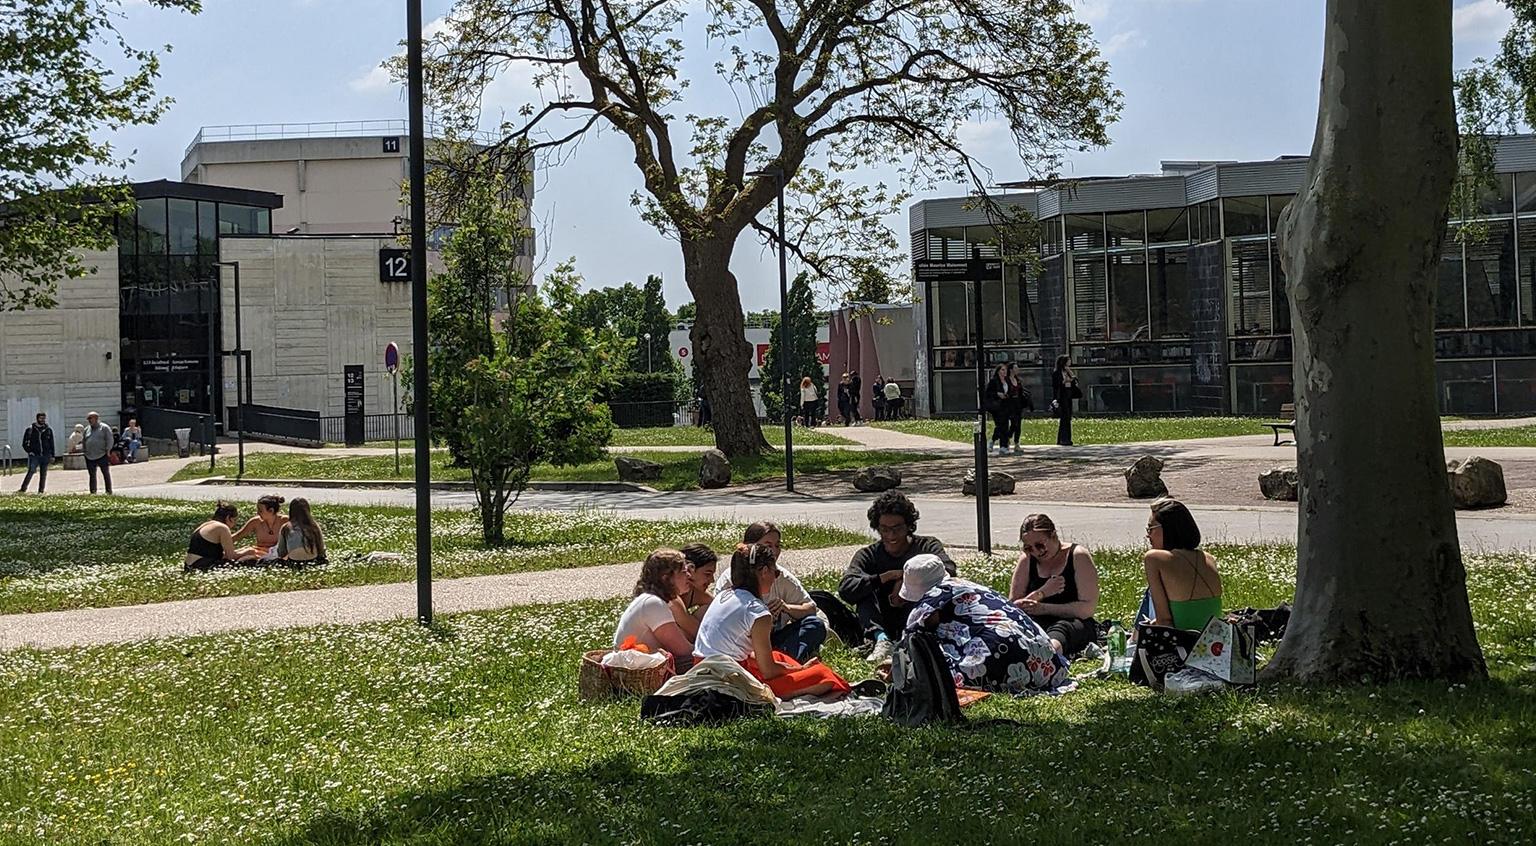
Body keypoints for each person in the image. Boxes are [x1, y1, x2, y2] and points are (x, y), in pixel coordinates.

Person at [695, 543, 852, 699]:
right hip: (728, 679)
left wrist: (789, 667)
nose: (775, 578)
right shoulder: (757, 611)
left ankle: (804, 672)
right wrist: (798, 670)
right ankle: (815, 678)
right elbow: (768, 671)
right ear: (764, 571)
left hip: (703, 668)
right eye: (775, 573)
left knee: (777, 656)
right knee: (823, 676)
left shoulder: (724, 595)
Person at [901, 554, 1069, 692]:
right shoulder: (969, 586)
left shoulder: (929, 604)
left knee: (935, 670)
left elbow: (910, 644)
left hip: (1004, 664)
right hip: (1048, 665)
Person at [839, 491, 955, 663]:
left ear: (908, 525)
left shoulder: (927, 546)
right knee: (863, 591)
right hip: (883, 616)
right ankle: (881, 640)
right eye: (884, 529)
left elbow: (948, 570)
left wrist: (908, 580)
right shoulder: (868, 555)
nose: (891, 536)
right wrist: (885, 578)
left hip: (918, 613)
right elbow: (846, 588)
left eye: (897, 528)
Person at [715, 521, 826, 661]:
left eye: (777, 546)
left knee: (814, 625)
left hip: (772, 639)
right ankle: (777, 662)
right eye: (768, 545)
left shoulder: (782, 576)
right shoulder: (731, 578)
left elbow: (810, 608)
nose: (774, 551)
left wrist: (787, 608)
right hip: (741, 644)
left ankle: (782, 659)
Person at [1009, 513, 1101, 656]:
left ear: (1053, 535)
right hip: (1036, 620)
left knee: (1060, 630)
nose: (1036, 552)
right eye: (1028, 548)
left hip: (1071, 623)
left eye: (1040, 545)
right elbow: (1013, 608)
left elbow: (1086, 609)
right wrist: (1042, 593)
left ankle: (1048, 656)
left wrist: (1042, 608)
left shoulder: (1077, 556)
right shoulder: (1027, 560)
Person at [1144, 498, 1224, 631]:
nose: (1148, 535)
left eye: (1151, 529)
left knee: (1148, 595)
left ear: (1168, 528)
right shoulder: (1208, 558)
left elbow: (1164, 621)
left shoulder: (1154, 558)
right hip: (1215, 640)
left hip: (1183, 642)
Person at [614, 548, 697, 665]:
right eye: (683, 572)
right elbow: (683, 651)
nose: (689, 575)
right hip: (633, 668)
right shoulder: (653, 604)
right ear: (666, 578)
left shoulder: (652, 600)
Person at [669, 543, 718, 640]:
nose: (712, 580)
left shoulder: (695, 593)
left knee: (711, 609)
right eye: (707, 574)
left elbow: (719, 607)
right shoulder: (671, 596)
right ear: (689, 570)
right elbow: (697, 632)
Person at [184, 501, 244, 572]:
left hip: (189, 565)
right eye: (234, 520)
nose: (235, 524)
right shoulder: (223, 528)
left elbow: (214, 553)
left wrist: (242, 550)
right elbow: (230, 556)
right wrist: (248, 552)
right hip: (202, 565)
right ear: (228, 518)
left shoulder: (206, 524)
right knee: (248, 560)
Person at [233, 494, 288, 561]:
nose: (258, 513)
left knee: (249, 551)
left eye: (260, 510)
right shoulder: (255, 522)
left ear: (271, 510)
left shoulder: (284, 521)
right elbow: (238, 535)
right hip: (258, 551)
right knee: (244, 550)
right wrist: (223, 541)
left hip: (277, 554)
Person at [277, 497, 327, 565]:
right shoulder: (314, 526)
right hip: (312, 560)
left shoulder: (286, 527)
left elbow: (281, 552)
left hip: (294, 561)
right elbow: (321, 547)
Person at [18, 412, 54, 494]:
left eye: (44, 418)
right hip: (35, 455)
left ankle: (41, 491)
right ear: (37, 419)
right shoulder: (30, 429)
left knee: (43, 474)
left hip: (45, 455)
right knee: (31, 471)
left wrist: (52, 455)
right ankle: (23, 488)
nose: (43, 420)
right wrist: (29, 451)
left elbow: (51, 443)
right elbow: (24, 443)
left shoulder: (48, 430)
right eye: (41, 418)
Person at [81, 411, 114, 495]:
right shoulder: (87, 429)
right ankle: (93, 492)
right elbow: (84, 440)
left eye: (90, 418)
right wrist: (84, 451)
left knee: (105, 473)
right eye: (88, 419)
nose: (89, 420)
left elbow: (110, 439)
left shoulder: (104, 428)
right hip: (89, 455)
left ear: (96, 418)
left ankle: (108, 491)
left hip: (102, 454)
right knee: (92, 474)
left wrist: (108, 450)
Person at [1052, 355, 1077, 447]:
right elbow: (1055, 385)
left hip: (1068, 394)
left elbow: (1074, 380)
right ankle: (1063, 439)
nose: (1070, 362)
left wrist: (1070, 373)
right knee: (1064, 417)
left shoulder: (1068, 371)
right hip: (1062, 396)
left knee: (1068, 417)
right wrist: (1064, 381)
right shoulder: (1057, 373)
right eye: (1068, 360)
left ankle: (1067, 438)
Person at [985, 364, 1010, 455]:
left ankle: (1002, 445)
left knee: (1005, 425)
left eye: (1005, 370)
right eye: (1002, 370)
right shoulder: (994, 381)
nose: (1004, 372)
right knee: (1000, 425)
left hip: (1005, 405)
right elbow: (988, 393)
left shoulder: (1007, 381)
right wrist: (997, 394)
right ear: (998, 371)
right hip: (996, 406)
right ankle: (996, 442)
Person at [1006, 362, 1029, 453]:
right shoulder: (1007, 380)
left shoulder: (1018, 380)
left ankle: (1016, 443)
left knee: (1018, 424)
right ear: (1011, 369)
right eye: (1016, 368)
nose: (1017, 369)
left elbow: (1021, 391)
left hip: (1018, 404)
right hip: (1010, 404)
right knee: (1013, 424)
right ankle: (1008, 437)